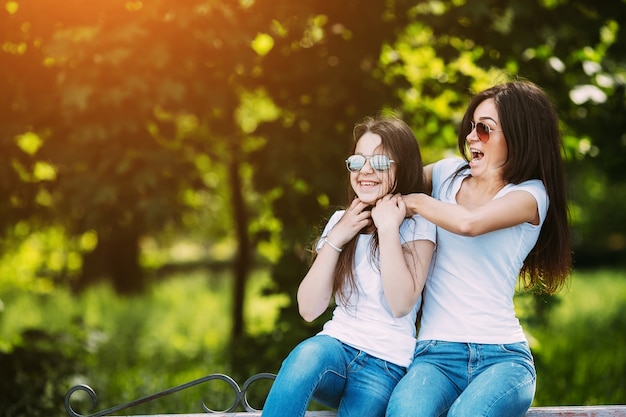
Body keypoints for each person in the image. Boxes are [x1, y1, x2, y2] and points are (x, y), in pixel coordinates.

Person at [386, 80, 572, 417]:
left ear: (518, 136)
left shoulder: (530, 196)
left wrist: (414, 201)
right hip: (435, 355)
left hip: (502, 359)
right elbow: (395, 180)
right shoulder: (445, 174)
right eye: (471, 126)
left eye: (484, 129)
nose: (472, 136)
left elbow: (469, 223)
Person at [261, 115, 436, 417]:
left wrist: (388, 228)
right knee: (302, 358)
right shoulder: (341, 222)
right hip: (336, 347)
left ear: (403, 167)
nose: (365, 171)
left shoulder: (420, 226)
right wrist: (337, 236)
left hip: (386, 365)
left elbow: (400, 304)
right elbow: (308, 309)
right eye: (358, 162)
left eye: (380, 163)